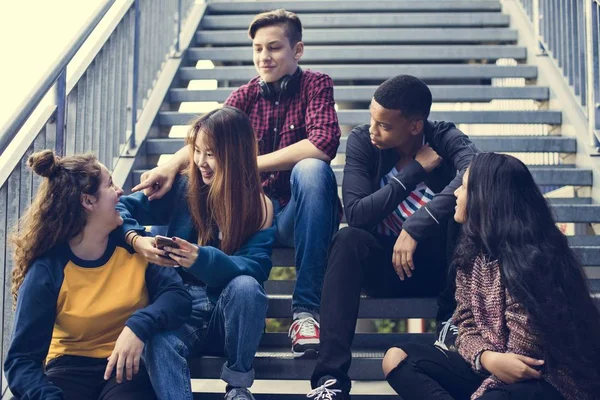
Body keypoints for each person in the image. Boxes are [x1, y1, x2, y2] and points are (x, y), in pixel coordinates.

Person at [134, 9, 341, 358]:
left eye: (274, 48)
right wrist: (169, 166)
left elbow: (322, 143)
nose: (264, 57)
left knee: (312, 169)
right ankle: (166, 303)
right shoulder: (246, 95)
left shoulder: (316, 84)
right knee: (185, 184)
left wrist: (244, 164)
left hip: (293, 216)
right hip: (251, 217)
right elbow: (208, 137)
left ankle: (305, 312)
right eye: (258, 49)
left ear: (298, 50)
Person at [307, 75, 479, 399]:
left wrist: (417, 224)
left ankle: (450, 326)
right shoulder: (363, 142)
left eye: (384, 125)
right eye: (372, 118)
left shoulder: (444, 136)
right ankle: (330, 382)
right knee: (347, 239)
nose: (373, 129)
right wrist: (412, 171)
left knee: (465, 208)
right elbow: (356, 213)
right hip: (385, 268)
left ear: (415, 126)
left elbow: (475, 171)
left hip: (440, 269)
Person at [382, 152, 600, 399]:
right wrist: (485, 358)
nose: (456, 193)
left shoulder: (535, 260)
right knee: (398, 359)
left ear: (484, 198)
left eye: (463, 187)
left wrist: (489, 368)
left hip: (545, 381)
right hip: (490, 365)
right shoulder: (471, 255)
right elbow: (464, 324)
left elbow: (525, 360)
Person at [4, 150, 192, 400]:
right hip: (67, 369)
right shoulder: (48, 269)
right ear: (88, 201)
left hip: (126, 368)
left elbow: (178, 297)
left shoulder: (136, 248)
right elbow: (21, 361)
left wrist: (137, 327)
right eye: (110, 184)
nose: (120, 191)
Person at [116, 106, 275, 400]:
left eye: (211, 154)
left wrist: (203, 260)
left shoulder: (259, 205)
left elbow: (256, 267)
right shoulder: (182, 186)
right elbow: (118, 208)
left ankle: (238, 388)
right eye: (198, 151)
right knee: (159, 343)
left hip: (231, 317)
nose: (201, 162)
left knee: (246, 287)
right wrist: (136, 240)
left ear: (236, 153)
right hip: (182, 308)